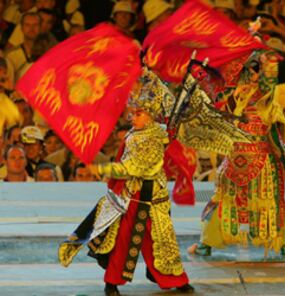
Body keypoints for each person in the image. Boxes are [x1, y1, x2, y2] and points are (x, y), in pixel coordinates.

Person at [188, 50, 285, 257]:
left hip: (257, 156)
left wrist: (261, 56)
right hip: (243, 156)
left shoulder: (263, 94)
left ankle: (208, 244)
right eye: (251, 71)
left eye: (256, 71)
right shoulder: (234, 95)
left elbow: (265, 80)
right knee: (237, 200)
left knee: (257, 201)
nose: (254, 76)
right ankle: (283, 244)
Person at [58, 70, 194, 296]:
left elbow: (132, 168)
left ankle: (176, 279)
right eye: (132, 113)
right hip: (133, 196)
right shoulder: (136, 133)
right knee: (122, 241)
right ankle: (111, 282)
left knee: (162, 242)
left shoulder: (154, 137)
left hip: (153, 198)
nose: (133, 117)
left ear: (150, 114)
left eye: (138, 113)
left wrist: (100, 168)